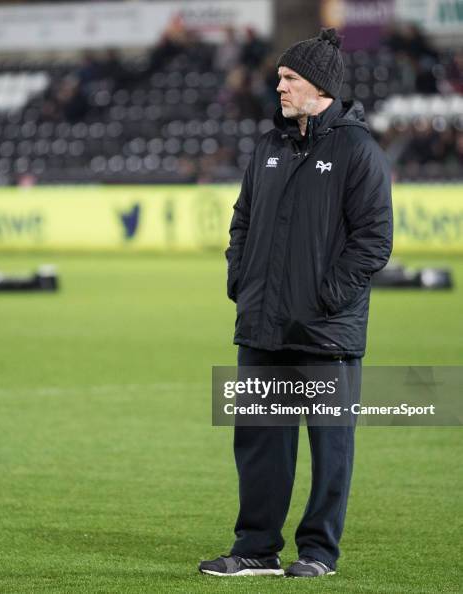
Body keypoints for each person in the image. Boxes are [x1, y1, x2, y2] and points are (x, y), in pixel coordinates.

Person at [199, 28, 393, 578]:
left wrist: (324, 297)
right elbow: (242, 221)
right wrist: (241, 279)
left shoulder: (358, 150)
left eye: (289, 78)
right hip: (261, 325)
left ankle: (318, 554)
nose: (278, 86)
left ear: (321, 86)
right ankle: (256, 549)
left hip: (325, 331)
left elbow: (374, 240)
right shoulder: (267, 146)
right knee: (259, 444)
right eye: (280, 77)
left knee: (330, 451)